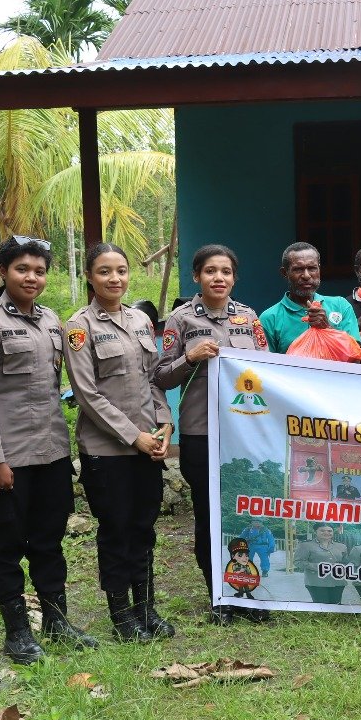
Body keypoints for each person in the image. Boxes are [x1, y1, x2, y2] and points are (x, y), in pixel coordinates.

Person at [0, 235, 96, 664]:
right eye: (22, 269)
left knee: (49, 541)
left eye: (39, 271)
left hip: (51, 454)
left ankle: (57, 622)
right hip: (8, 459)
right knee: (6, 545)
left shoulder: (52, 321)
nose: (31, 278)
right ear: (3, 272)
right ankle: (17, 632)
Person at [153, 244, 268, 626]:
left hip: (244, 434)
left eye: (226, 271)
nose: (219, 278)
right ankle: (218, 595)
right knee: (208, 514)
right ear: (196, 276)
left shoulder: (248, 318)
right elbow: (161, 376)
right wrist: (190, 357)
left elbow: (268, 370)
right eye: (210, 271)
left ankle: (247, 592)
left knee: (244, 513)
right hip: (201, 432)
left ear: (234, 278)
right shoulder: (181, 319)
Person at [65, 243, 173, 642]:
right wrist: (134, 436)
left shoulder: (142, 320)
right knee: (116, 530)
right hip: (106, 450)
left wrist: (164, 423)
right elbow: (87, 395)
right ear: (90, 277)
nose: (115, 279)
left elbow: (153, 379)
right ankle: (122, 615)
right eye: (105, 271)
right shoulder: (79, 327)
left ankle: (147, 607)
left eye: (121, 271)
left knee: (143, 528)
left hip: (148, 445)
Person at [258, 242, 360, 354]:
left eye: (312, 268)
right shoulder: (269, 318)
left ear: (319, 269)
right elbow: (264, 363)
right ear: (284, 273)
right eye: (298, 269)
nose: (306, 275)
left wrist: (327, 328)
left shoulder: (340, 305)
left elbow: (355, 356)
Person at [295, 524, 349, 605]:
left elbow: (346, 562)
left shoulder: (341, 546)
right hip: (317, 582)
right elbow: (298, 562)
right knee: (322, 607)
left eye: (329, 531)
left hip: (338, 582)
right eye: (322, 530)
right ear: (315, 532)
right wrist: (320, 567)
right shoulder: (305, 545)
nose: (326, 533)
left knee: (337, 606)